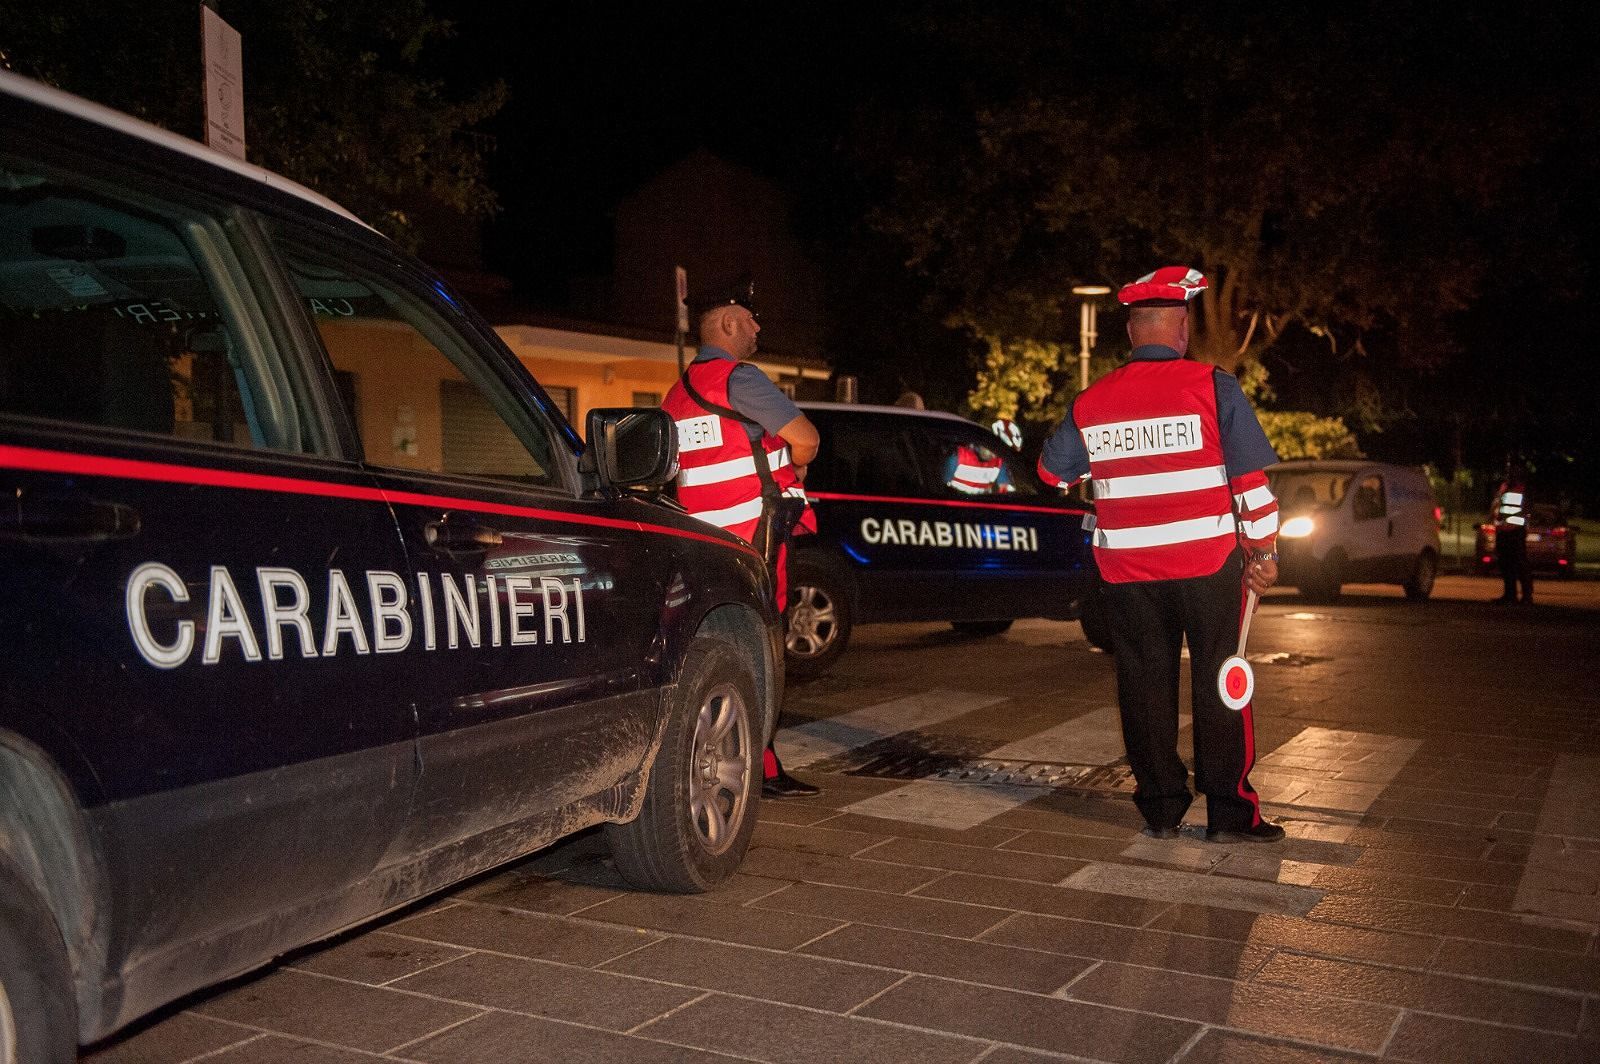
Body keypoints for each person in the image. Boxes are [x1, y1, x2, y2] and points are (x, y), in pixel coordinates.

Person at [1038, 266, 1285, 844]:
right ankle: (1229, 813)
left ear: (1131, 332)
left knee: (1144, 684)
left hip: (1126, 573)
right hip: (1206, 566)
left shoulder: (1094, 399)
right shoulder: (1212, 386)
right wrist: (1263, 553)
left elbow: (1051, 472)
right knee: (1221, 681)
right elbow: (1251, 484)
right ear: (1181, 329)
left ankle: (1161, 808)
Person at [661, 278, 822, 799]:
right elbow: (807, 440)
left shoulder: (678, 392)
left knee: (721, 650)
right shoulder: (741, 379)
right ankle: (763, 766)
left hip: (704, 539)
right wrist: (793, 464)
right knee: (765, 650)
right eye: (750, 319)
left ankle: (735, 756)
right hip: (757, 534)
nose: (757, 327)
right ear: (728, 324)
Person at [1491, 462, 1533, 604]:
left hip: (1515, 532)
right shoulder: (1505, 490)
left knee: (1519, 565)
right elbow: (1497, 508)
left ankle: (1526, 596)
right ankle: (1510, 594)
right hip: (1504, 532)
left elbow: (1523, 511)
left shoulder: (1522, 491)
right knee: (1506, 565)